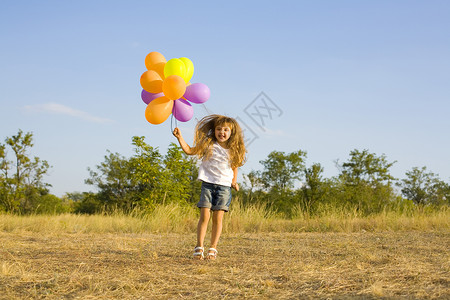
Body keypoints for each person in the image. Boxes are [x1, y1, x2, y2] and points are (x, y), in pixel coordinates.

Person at [173, 114, 246, 260]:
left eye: (226, 130)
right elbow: (189, 150)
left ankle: (213, 248)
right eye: (219, 129)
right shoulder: (209, 145)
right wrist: (180, 138)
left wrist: (234, 182)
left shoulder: (233, 149)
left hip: (224, 187)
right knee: (204, 216)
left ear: (231, 133)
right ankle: (199, 247)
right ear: (214, 130)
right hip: (207, 184)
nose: (222, 132)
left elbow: (235, 167)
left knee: (218, 218)